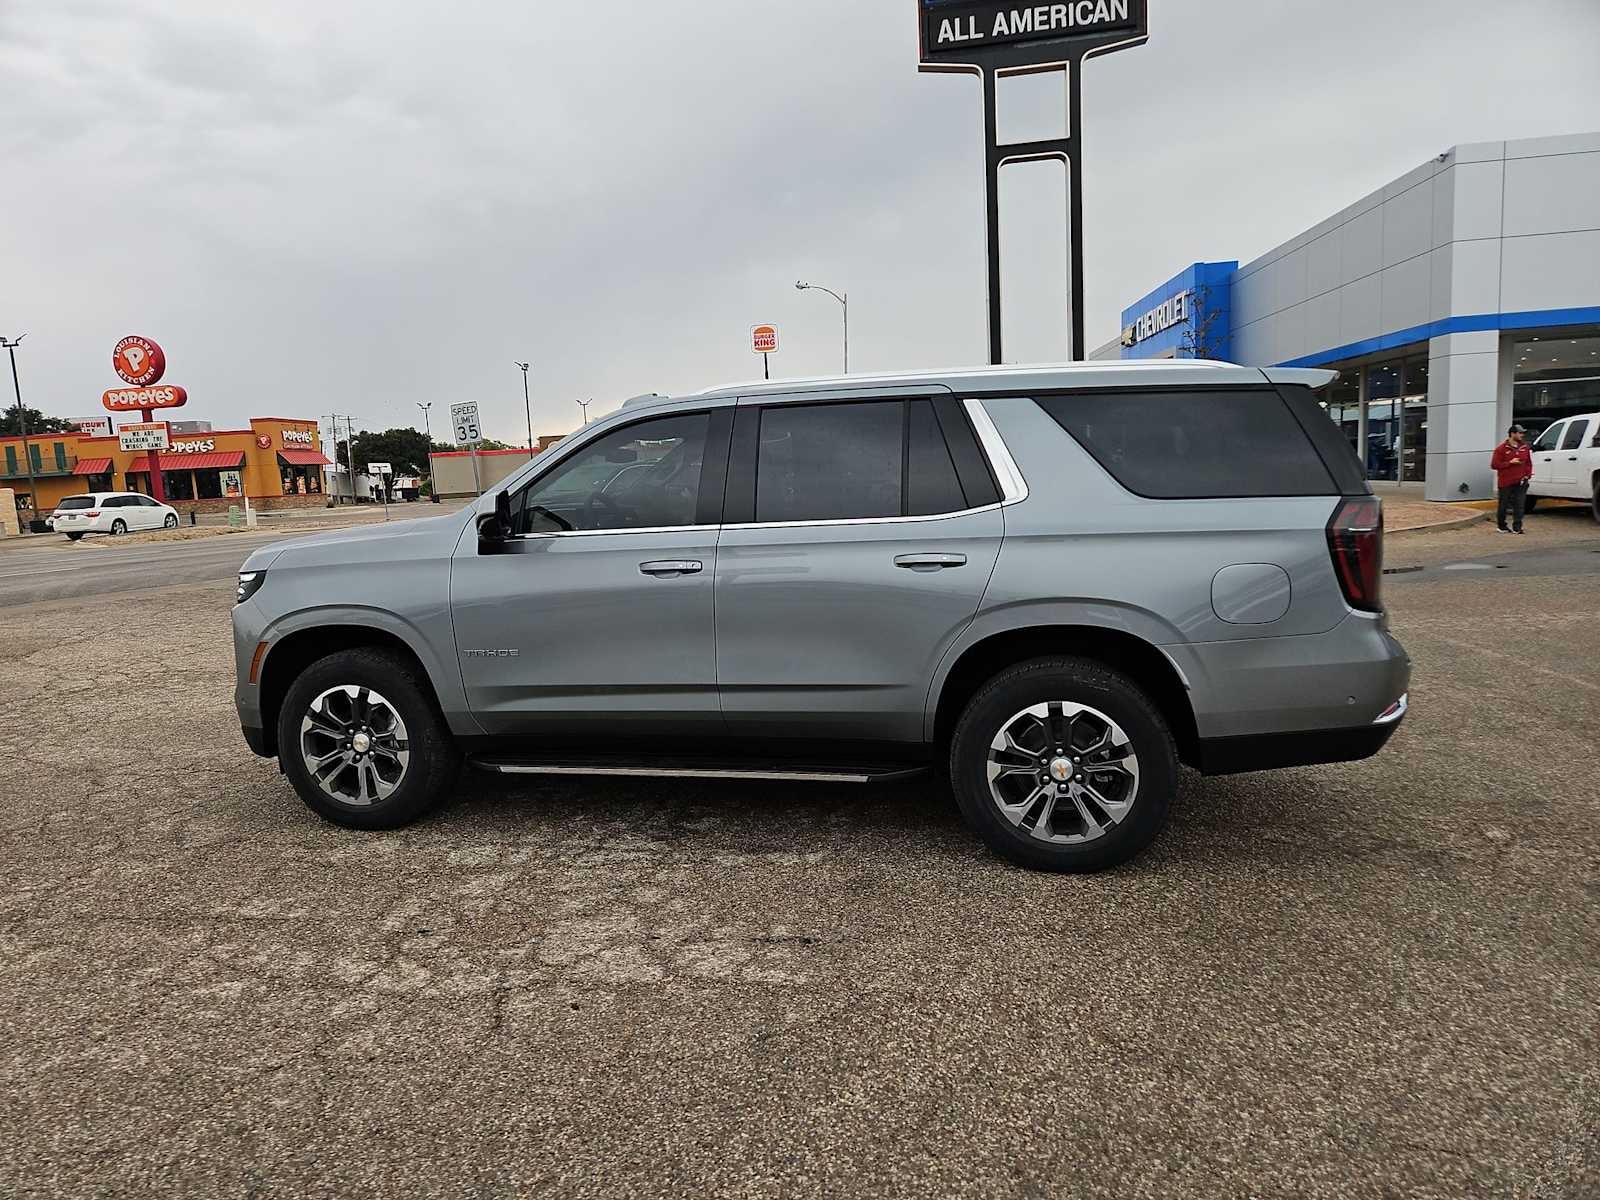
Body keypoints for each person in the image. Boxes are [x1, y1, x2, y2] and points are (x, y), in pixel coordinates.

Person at [1490, 424, 1534, 534]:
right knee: (1503, 505)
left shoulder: (1525, 448)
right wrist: (1510, 462)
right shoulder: (1501, 449)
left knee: (1519, 505)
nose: (1522, 435)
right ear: (1512, 434)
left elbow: (1528, 463)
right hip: (1506, 482)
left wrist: (1527, 475)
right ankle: (1502, 526)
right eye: (1519, 433)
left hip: (1521, 481)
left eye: (1522, 433)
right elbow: (1494, 465)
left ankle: (1517, 527)